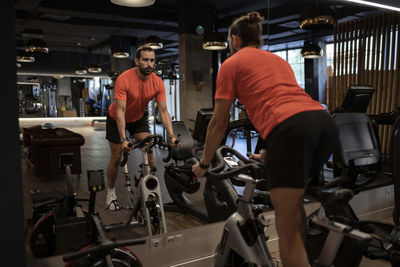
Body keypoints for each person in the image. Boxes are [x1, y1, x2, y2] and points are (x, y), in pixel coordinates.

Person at [192, 11, 339, 267]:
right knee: (294, 211)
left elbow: (219, 122)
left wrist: (204, 165)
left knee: (287, 232)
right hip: (323, 123)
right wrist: (270, 154)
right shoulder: (278, 61)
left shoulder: (232, 63)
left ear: (235, 40)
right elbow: (286, 106)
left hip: (292, 132)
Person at [105, 45, 178, 211]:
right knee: (116, 156)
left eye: (152, 60)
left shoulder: (157, 82)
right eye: (145, 60)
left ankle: (149, 190)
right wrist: (124, 139)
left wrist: (172, 136)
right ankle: (110, 194)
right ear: (137, 61)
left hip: (138, 117)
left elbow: (164, 111)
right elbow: (121, 111)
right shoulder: (124, 79)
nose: (149, 64)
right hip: (117, 117)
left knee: (149, 151)